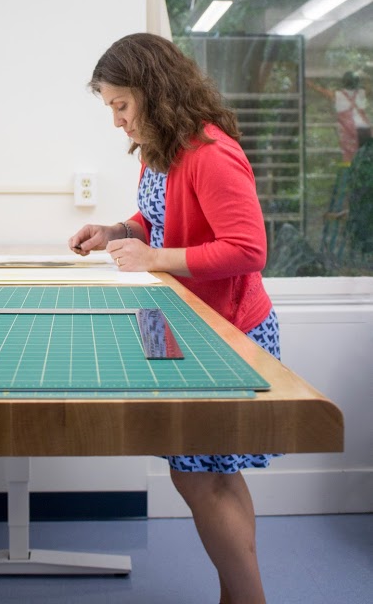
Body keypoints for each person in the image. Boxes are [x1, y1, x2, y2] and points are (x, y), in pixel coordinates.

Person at [68, 33, 281, 604]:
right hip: (177, 321)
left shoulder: (211, 152)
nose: (116, 121)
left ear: (152, 92)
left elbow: (247, 248)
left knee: (199, 475)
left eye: (121, 105)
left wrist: (155, 257)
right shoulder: (163, 147)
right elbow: (161, 217)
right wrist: (118, 231)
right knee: (210, 473)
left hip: (223, 330)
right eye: (110, 107)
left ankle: (248, 599)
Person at [307, 71, 371, 162]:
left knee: (349, 159)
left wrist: (310, 84)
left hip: (349, 132)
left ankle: (348, 173)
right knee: (366, 158)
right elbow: (369, 88)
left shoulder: (338, 95)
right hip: (365, 130)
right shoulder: (361, 93)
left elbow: (321, 90)